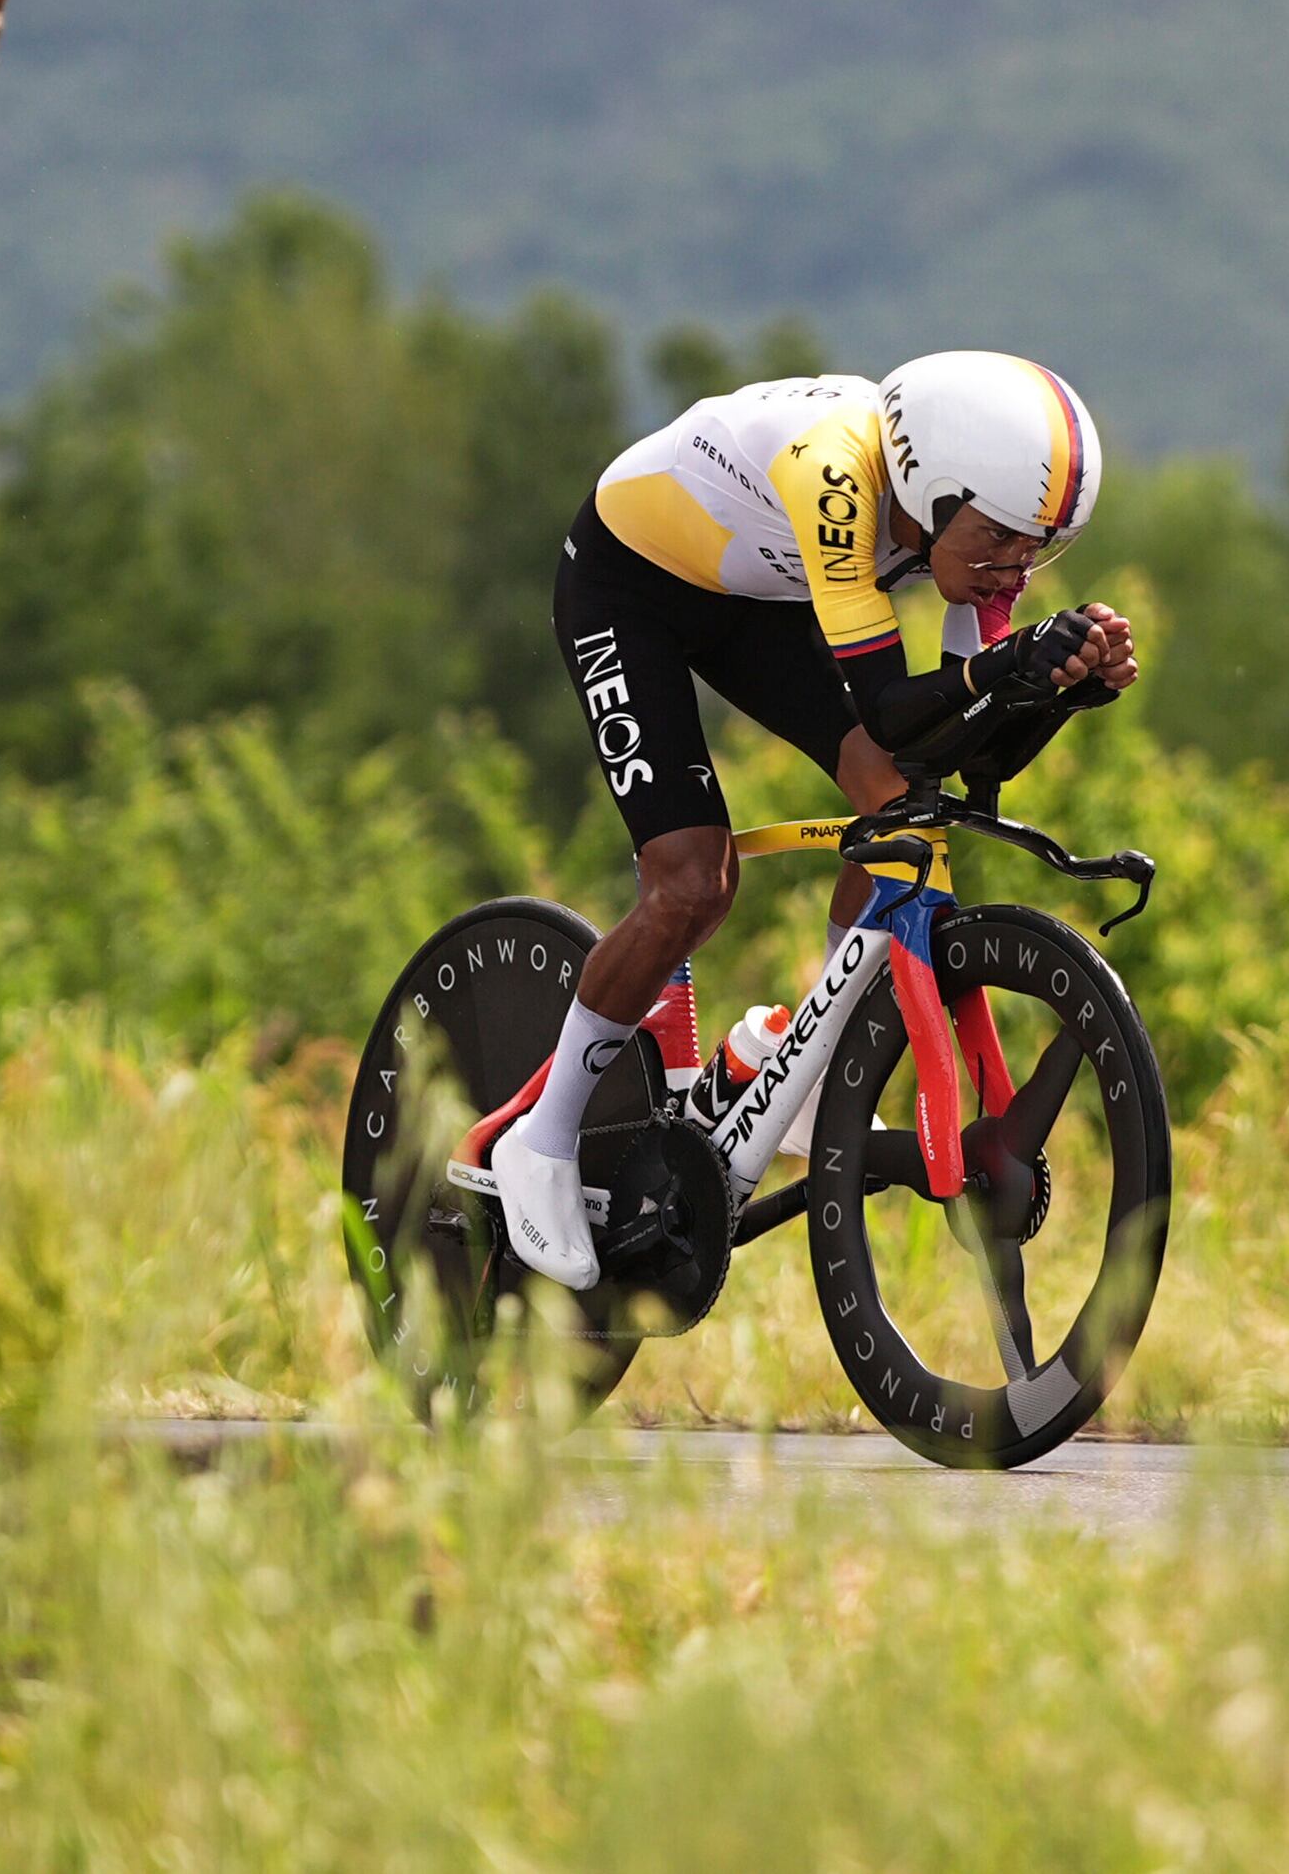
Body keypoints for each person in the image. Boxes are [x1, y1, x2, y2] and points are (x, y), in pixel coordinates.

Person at [488, 351, 1139, 1288]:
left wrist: (1060, 688)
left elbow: (964, 758)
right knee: (692, 882)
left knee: (905, 810)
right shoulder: (835, 471)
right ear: (927, 489)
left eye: (1037, 548)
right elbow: (890, 707)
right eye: (999, 540)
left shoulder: (977, 532)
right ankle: (540, 1140)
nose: (1014, 567)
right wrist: (1013, 666)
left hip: (754, 600)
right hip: (629, 585)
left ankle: (808, 1062)